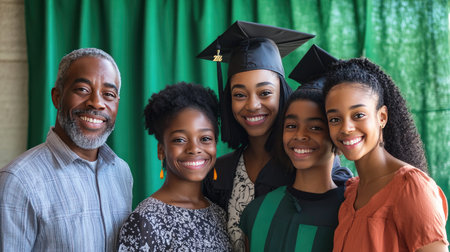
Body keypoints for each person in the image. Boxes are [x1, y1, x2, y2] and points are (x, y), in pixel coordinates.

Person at [198, 21, 353, 251]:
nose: (252, 105)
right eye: (239, 94)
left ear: (283, 93)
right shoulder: (220, 172)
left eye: (265, 93)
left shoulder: (308, 163)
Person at [0, 48, 133, 251]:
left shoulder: (122, 173)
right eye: (82, 89)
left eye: (108, 94)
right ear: (57, 97)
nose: (97, 103)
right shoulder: (18, 181)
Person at [323, 58, 448, 251]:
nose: (346, 128)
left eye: (358, 115)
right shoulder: (350, 193)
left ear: (381, 117)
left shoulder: (411, 188)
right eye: (335, 119)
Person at [240, 44, 346, 251]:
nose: (299, 135)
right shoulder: (258, 211)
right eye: (291, 125)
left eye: (315, 127)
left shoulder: (350, 210)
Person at [117, 82, 231, 251]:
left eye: (205, 138)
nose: (194, 149)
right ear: (161, 150)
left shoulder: (219, 214)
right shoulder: (145, 221)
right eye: (179, 139)